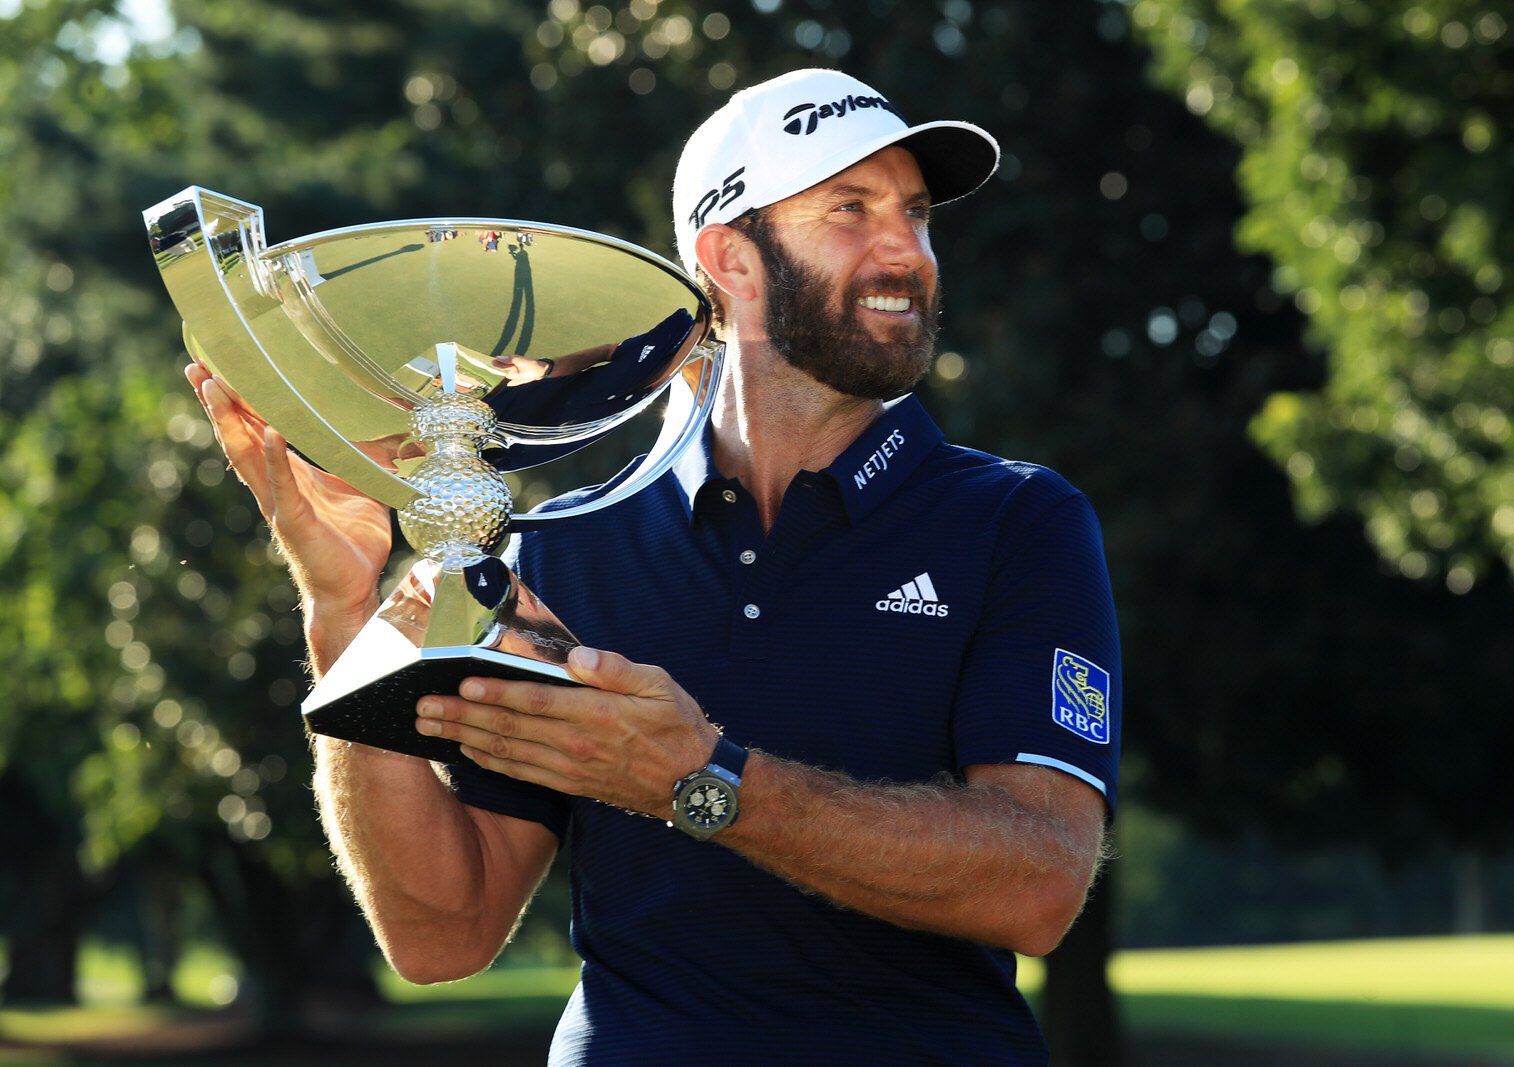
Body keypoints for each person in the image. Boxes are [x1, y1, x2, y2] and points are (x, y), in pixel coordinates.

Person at [186, 68, 1121, 1066]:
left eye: (916, 212)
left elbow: (1039, 881)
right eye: (850, 208)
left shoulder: (1016, 520)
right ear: (732, 258)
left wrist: (700, 778)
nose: (907, 249)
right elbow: (439, 933)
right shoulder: (561, 550)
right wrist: (342, 610)